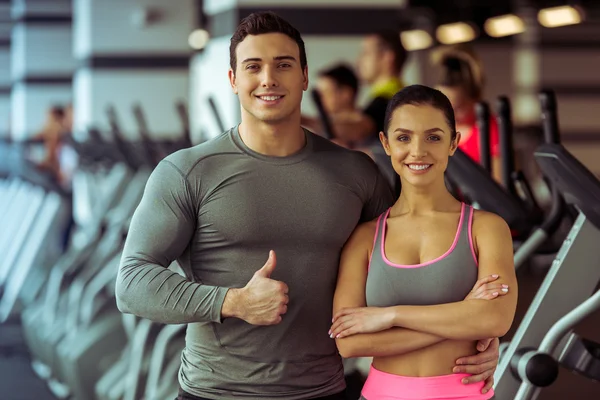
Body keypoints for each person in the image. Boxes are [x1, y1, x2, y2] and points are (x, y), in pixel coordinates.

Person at [116, 12, 501, 400]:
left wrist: (474, 336)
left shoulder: (355, 172)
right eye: (254, 66)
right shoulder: (187, 171)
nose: (269, 78)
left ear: (304, 77)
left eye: (283, 65)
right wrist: (232, 301)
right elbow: (132, 282)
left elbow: (408, 269)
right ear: (233, 80)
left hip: (323, 390)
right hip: (215, 391)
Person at [329, 84, 518, 400]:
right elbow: (349, 342)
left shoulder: (486, 229)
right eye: (404, 137)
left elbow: (495, 318)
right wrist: (463, 316)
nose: (418, 151)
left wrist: (391, 315)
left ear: (453, 143)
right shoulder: (364, 237)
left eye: (433, 137)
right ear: (385, 144)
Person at [432, 44, 502, 182]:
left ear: (475, 100)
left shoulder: (490, 130)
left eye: (457, 108)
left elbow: (499, 183)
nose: (450, 116)